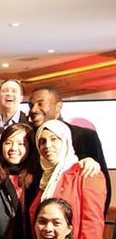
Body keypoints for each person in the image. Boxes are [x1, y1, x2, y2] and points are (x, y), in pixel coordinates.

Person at [28, 85, 110, 214]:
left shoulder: (85, 136)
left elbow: (103, 190)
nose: (33, 110)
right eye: (30, 105)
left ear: (58, 107)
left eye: (40, 104)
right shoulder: (29, 139)